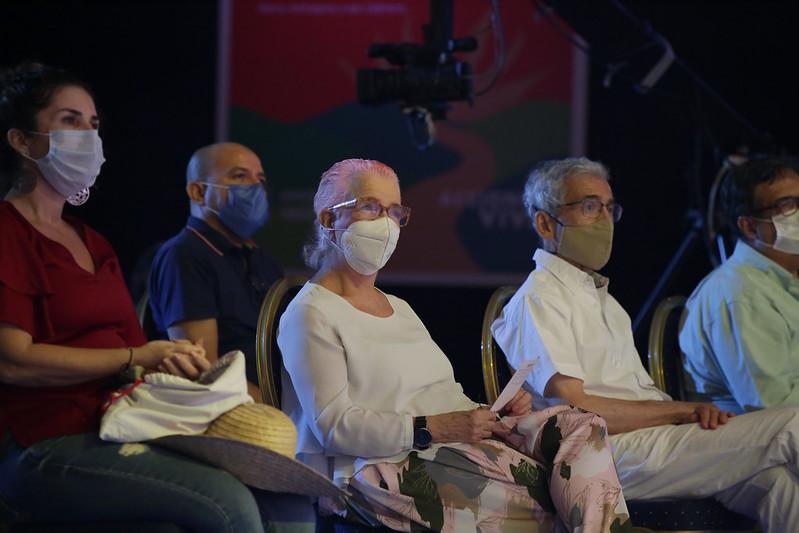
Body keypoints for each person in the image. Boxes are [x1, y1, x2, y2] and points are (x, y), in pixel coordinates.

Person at [0, 62, 313, 532]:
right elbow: (14, 362)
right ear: (22, 141)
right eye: (70, 121)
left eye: (93, 124)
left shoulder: (92, 242)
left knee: (290, 504)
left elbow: (138, 359)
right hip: (45, 440)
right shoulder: (9, 232)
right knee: (230, 506)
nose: (87, 135)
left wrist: (170, 358)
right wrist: (137, 354)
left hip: (124, 422)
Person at [278, 158, 633, 532]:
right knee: (560, 495)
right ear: (328, 220)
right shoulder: (311, 312)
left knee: (582, 426)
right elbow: (335, 428)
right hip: (380, 468)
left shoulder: (399, 308)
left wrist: (491, 413)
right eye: (370, 206)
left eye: (394, 211)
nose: (385, 223)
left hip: (451, 447)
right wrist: (439, 427)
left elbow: (441, 396)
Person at [491, 156, 799, 531]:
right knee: (793, 425)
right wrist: (680, 412)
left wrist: (677, 416)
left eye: (608, 208)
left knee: (780, 488)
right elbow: (577, 408)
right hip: (603, 454)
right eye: (589, 206)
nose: (604, 219)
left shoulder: (602, 297)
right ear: (545, 222)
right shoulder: (538, 298)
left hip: (657, 441)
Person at [148, 142, 283, 403]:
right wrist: (279, 412)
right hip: (236, 411)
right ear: (198, 192)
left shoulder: (263, 260)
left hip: (283, 404)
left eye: (260, 179)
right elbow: (203, 369)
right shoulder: (184, 255)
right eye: (240, 176)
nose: (255, 187)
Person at [680, 157, 799, 414]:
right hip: (758, 441)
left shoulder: (786, 281)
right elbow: (773, 407)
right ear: (749, 226)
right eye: (787, 205)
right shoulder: (740, 292)